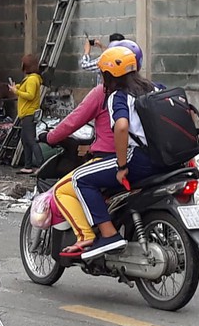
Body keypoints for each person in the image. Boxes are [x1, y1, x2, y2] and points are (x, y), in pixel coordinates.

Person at [55, 46, 153, 260]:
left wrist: (121, 167)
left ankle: (108, 234)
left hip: (138, 158)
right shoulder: (154, 89)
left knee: (80, 178)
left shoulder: (117, 96)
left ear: (108, 75)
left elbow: (121, 127)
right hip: (163, 159)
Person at [7, 54, 45, 173]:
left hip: (29, 114)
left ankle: (42, 165)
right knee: (25, 140)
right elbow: (25, 88)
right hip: (26, 115)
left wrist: (16, 91)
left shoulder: (32, 79)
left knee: (31, 140)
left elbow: (30, 95)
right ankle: (28, 167)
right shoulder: (30, 79)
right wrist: (16, 87)